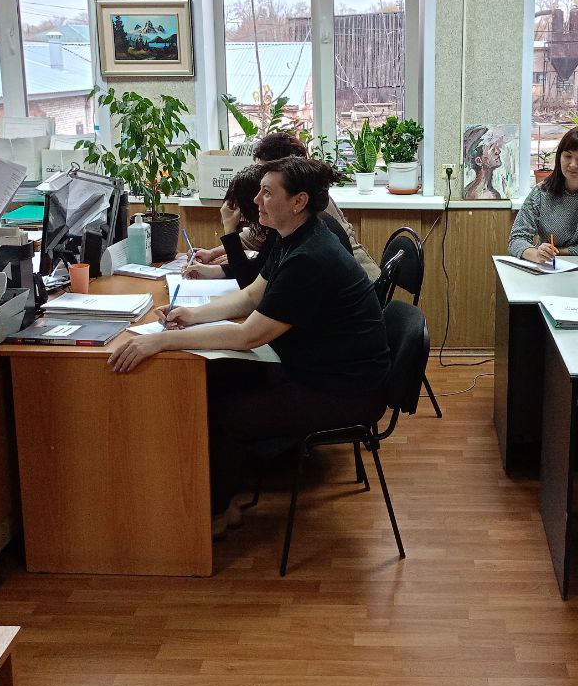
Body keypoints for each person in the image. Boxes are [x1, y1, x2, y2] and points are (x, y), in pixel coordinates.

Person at [109, 156, 390, 532]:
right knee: (214, 382)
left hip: (344, 390)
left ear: (298, 201)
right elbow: (251, 296)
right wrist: (191, 315)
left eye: (267, 192)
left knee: (224, 413)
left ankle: (219, 513)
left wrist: (162, 342)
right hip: (317, 370)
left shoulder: (311, 257)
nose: (256, 200)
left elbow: (248, 335)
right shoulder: (292, 237)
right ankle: (215, 495)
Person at [193, 132, 381, 282]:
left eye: (266, 175)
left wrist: (229, 233)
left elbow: (252, 280)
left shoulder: (310, 212)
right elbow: (259, 247)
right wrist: (215, 253)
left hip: (363, 283)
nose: (259, 182)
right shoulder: (291, 210)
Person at [187, 164, 354, 289]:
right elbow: (262, 269)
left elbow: (249, 281)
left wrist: (230, 230)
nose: (257, 200)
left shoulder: (298, 230)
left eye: (266, 192)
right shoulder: (293, 224)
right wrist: (213, 271)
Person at [509, 124, 578, 264]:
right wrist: (536, 254)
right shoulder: (541, 192)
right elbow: (516, 239)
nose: (573, 164)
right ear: (559, 157)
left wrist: (558, 251)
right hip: (550, 267)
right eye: (568, 156)